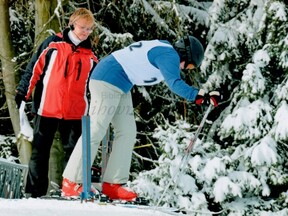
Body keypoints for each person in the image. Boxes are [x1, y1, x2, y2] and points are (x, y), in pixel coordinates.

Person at [61, 35, 221, 201]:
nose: (185, 68)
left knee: (127, 132)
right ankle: (71, 182)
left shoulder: (166, 51)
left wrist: (202, 94)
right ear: (185, 54)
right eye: (188, 65)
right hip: (107, 77)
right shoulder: (170, 55)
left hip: (121, 84)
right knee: (97, 128)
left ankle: (112, 184)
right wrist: (199, 95)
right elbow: (175, 84)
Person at [15, 8, 98, 198]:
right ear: (72, 24)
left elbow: (96, 85)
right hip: (48, 106)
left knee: (75, 153)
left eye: (89, 29)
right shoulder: (53, 44)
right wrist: (23, 92)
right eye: (82, 27)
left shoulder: (90, 55)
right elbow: (34, 68)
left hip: (76, 111)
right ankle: (34, 193)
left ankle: (73, 190)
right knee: (40, 152)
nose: (85, 32)